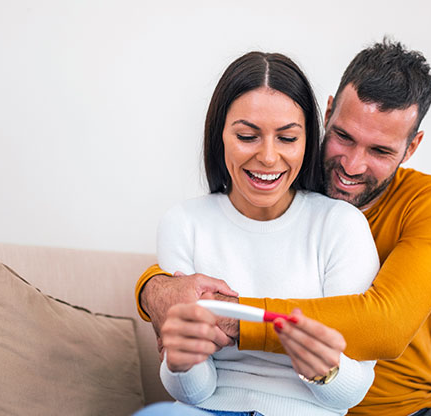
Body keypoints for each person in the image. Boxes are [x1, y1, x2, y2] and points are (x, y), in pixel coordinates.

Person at [136, 39, 431, 416]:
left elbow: (386, 326)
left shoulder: (430, 201)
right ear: (328, 111)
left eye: (379, 150)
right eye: (343, 137)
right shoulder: (279, 173)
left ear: (412, 147)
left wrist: (229, 316)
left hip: (401, 410)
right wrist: (152, 287)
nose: (352, 166)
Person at [149, 51, 380, 416]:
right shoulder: (184, 223)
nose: (269, 158)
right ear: (219, 135)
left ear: (308, 141)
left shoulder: (341, 225)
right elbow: (195, 393)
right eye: (247, 136)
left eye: (287, 138)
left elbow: (349, 395)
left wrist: (324, 370)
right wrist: (181, 361)